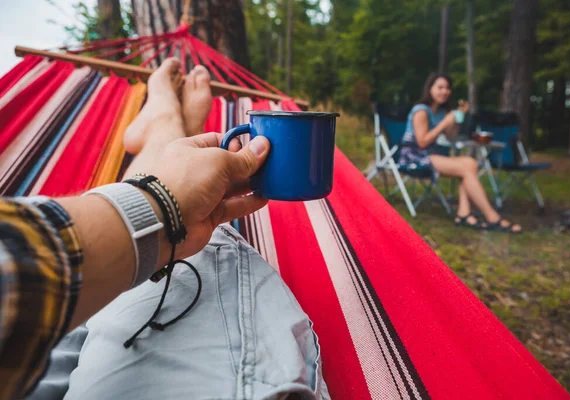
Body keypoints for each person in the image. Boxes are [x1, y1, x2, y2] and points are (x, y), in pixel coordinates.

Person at [0, 59, 328, 399]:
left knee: (110, 309)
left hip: (30, 349)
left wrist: (163, 204)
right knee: (187, 254)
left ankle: (164, 126)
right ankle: (168, 129)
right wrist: (165, 210)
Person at [400, 73, 522, 233]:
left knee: (471, 163)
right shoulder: (421, 111)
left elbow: (450, 137)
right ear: (429, 89)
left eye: (447, 88)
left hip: (435, 155)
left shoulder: (442, 112)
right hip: (416, 156)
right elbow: (422, 142)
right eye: (440, 87)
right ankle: (492, 217)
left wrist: (457, 119)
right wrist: (445, 123)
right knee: (466, 168)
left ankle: (464, 214)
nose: (444, 91)